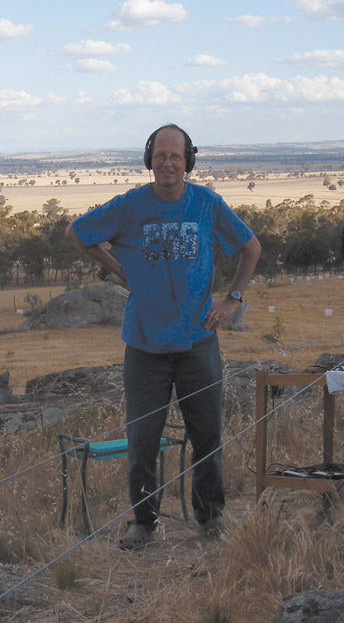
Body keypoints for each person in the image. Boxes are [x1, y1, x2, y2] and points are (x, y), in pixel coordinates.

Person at [65, 123, 261, 549]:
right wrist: (118, 269)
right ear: (149, 160)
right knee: (143, 440)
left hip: (198, 343)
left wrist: (233, 300)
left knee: (207, 435)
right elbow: (77, 232)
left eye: (176, 156)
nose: (168, 163)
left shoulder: (206, 204)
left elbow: (251, 248)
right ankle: (144, 523)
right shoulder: (131, 206)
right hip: (145, 347)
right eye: (160, 156)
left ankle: (211, 518)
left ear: (188, 161)